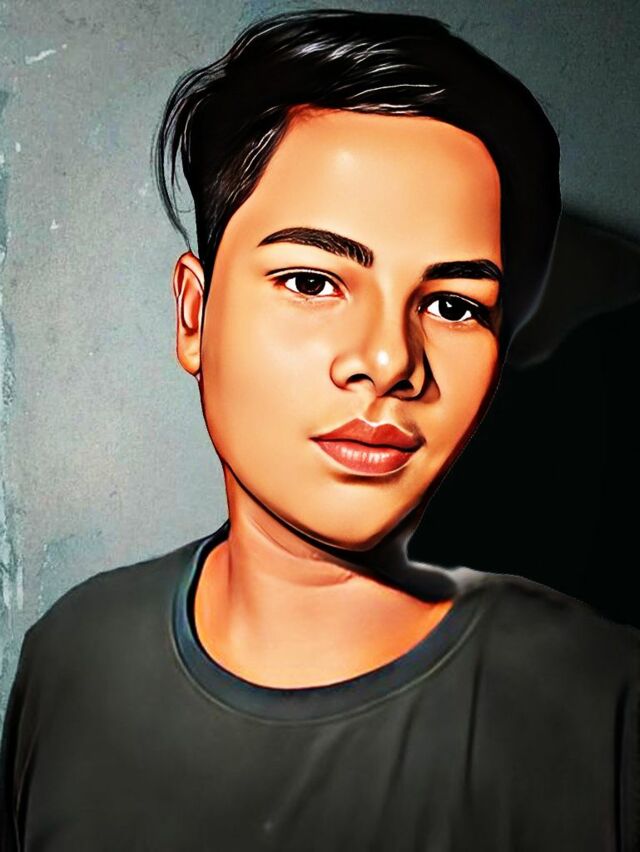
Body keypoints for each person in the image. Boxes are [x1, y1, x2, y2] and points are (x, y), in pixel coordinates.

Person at [1, 8, 638, 851]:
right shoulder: (73, 659)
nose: (388, 359)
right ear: (194, 314)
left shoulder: (602, 703)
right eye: (311, 281)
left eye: (453, 305)